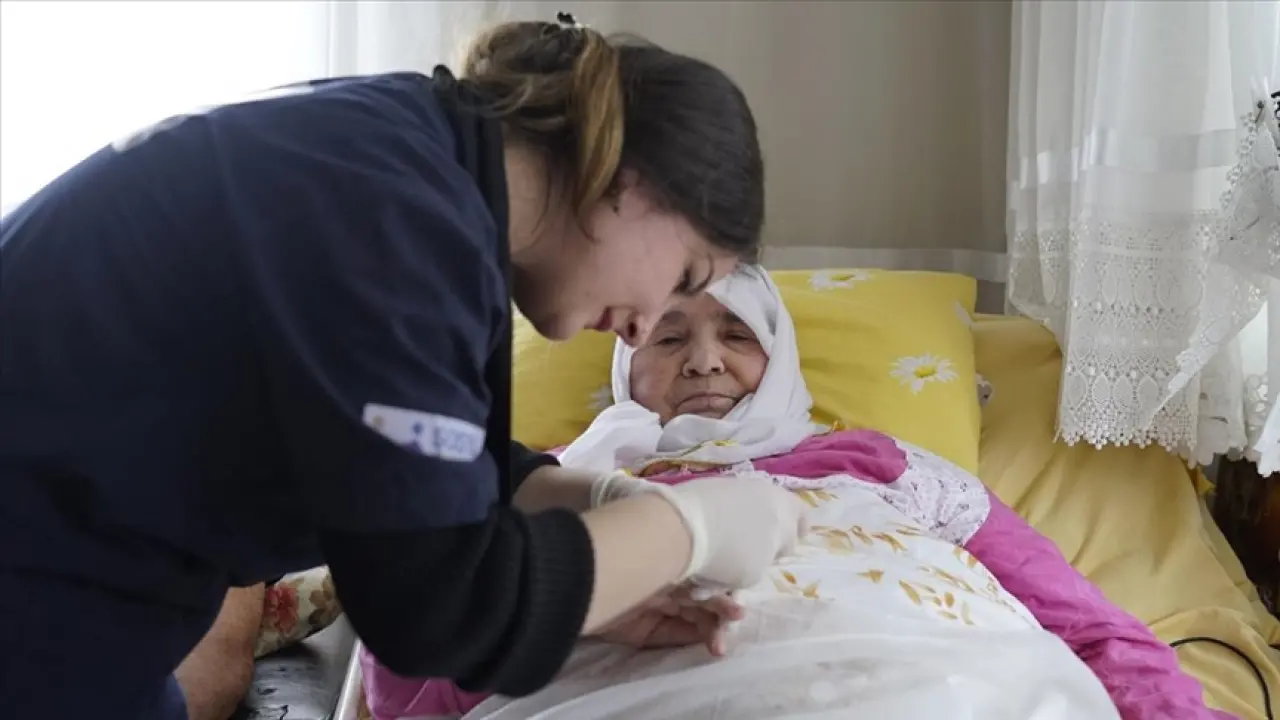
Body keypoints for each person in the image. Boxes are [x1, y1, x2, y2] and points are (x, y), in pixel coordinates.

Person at [0, 14, 808, 720]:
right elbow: (442, 610)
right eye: (685, 276)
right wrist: (693, 527)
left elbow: (416, 468)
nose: (649, 321)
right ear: (630, 179)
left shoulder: (420, 162)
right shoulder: (405, 223)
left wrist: (585, 509)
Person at [362, 266, 1228, 720]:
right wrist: (578, 596)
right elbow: (404, 683)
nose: (705, 361)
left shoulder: (883, 465)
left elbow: (1088, 627)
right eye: (669, 338)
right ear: (626, 361)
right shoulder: (546, 482)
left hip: (948, 684)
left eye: (737, 334)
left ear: (782, 358)